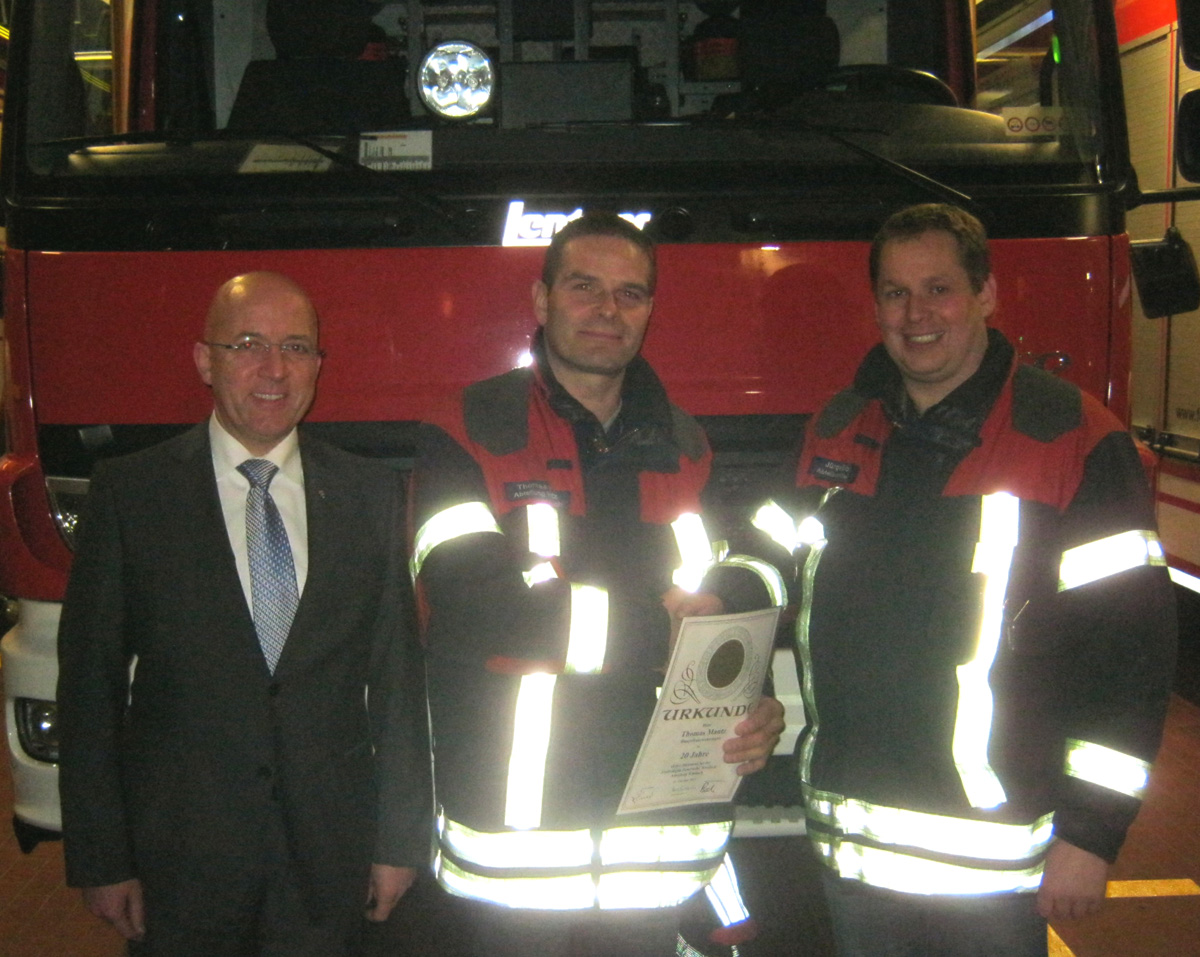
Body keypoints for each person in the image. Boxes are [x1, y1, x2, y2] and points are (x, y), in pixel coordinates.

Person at [751, 203, 1177, 955]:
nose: (917, 314)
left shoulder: (1073, 438)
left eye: (939, 289)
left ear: (985, 295)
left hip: (989, 864)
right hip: (850, 843)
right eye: (895, 292)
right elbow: (773, 543)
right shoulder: (840, 425)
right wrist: (723, 592)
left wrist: (1092, 833)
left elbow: (1130, 657)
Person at [408, 212, 788, 956]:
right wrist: (658, 632)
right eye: (585, 287)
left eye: (631, 294)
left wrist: (746, 693)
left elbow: (727, 583)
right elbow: (471, 602)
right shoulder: (466, 428)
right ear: (542, 299)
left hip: (654, 858)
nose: (608, 311)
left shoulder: (687, 444)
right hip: (516, 857)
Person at [57, 271, 431, 957]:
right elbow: (90, 688)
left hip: (328, 855)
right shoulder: (131, 494)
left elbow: (399, 681)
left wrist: (400, 840)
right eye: (249, 344)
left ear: (319, 364)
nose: (274, 369)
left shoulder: (369, 495)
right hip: (180, 859)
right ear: (205, 359)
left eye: (296, 347)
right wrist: (102, 856)